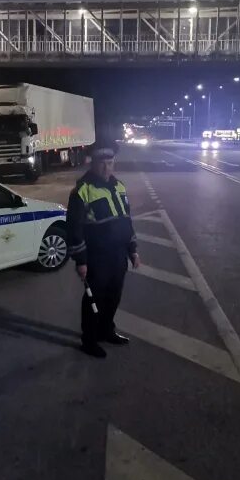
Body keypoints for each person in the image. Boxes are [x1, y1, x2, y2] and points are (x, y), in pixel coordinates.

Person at [66, 140, 140, 358]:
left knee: (113, 297)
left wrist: (133, 249)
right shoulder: (82, 190)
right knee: (93, 300)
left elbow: (127, 221)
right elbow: (74, 228)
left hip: (118, 256)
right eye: (102, 163)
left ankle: (107, 330)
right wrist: (81, 260)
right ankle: (89, 339)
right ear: (93, 163)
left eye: (111, 162)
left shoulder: (119, 187)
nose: (107, 167)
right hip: (97, 258)